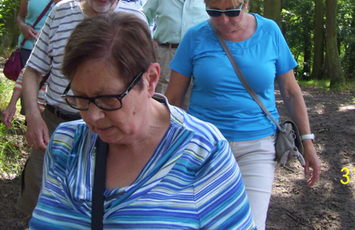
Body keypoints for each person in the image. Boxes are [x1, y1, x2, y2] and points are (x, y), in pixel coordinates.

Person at [29, 12, 256, 229]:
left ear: (151, 79)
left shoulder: (203, 152)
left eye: (108, 99)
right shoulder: (65, 144)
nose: (92, 116)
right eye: (81, 98)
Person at [166, 0, 321, 230]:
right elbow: (173, 97)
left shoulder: (270, 32)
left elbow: (291, 92)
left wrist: (307, 142)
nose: (223, 20)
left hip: (258, 147)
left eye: (231, 12)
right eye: (214, 12)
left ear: (246, 3)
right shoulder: (195, 37)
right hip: (205, 145)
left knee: (249, 224)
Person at [17, 0, 147, 216]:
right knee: (39, 204)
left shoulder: (134, 19)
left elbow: (145, 85)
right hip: (56, 124)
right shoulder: (61, 13)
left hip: (112, 129)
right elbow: (33, 70)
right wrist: (33, 116)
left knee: (101, 210)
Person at [2, 0, 84, 128]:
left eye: (68, 4)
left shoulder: (94, 34)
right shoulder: (47, 33)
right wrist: (12, 104)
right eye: (58, 5)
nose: (62, 9)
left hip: (80, 117)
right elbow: (29, 70)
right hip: (44, 112)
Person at [142, 0, 207, 96]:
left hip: (197, 56)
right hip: (166, 54)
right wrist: (147, 38)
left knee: (192, 98)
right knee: (164, 100)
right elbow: (142, 16)